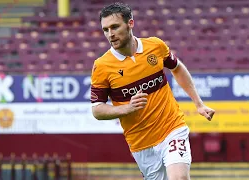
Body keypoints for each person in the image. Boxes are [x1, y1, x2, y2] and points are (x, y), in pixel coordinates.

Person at [90, 2, 215, 179]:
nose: (110, 34)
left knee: (179, 177)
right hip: (141, 144)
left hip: (172, 128)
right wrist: (126, 108)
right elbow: (97, 109)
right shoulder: (102, 66)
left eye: (115, 27)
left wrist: (198, 104)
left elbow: (177, 68)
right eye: (105, 30)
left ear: (130, 23)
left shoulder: (155, 46)